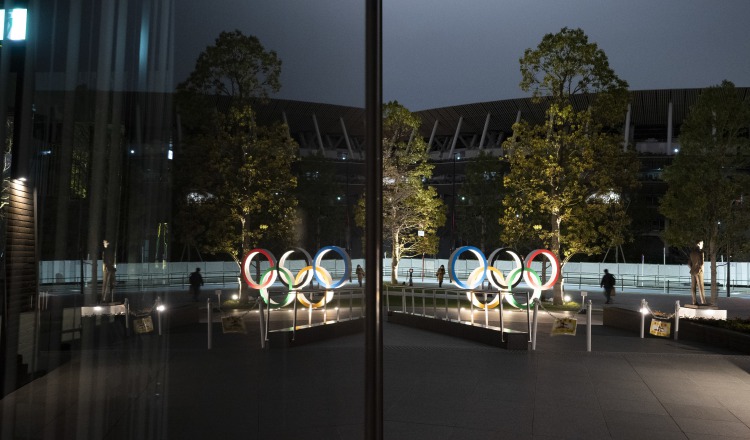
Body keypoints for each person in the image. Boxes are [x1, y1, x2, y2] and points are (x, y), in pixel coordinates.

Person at [689, 241, 707, 305]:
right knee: (701, 286)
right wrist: (700, 269)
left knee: (693, 287)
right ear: (699, 244)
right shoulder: (700, 252)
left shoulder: (692, 253)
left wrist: (693, 267)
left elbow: (688, 263)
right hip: (699, 271)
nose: (702, 245)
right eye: (702, 244)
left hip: (692, 271)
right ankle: (703, 301)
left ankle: (694, 301)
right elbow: (702, 263)